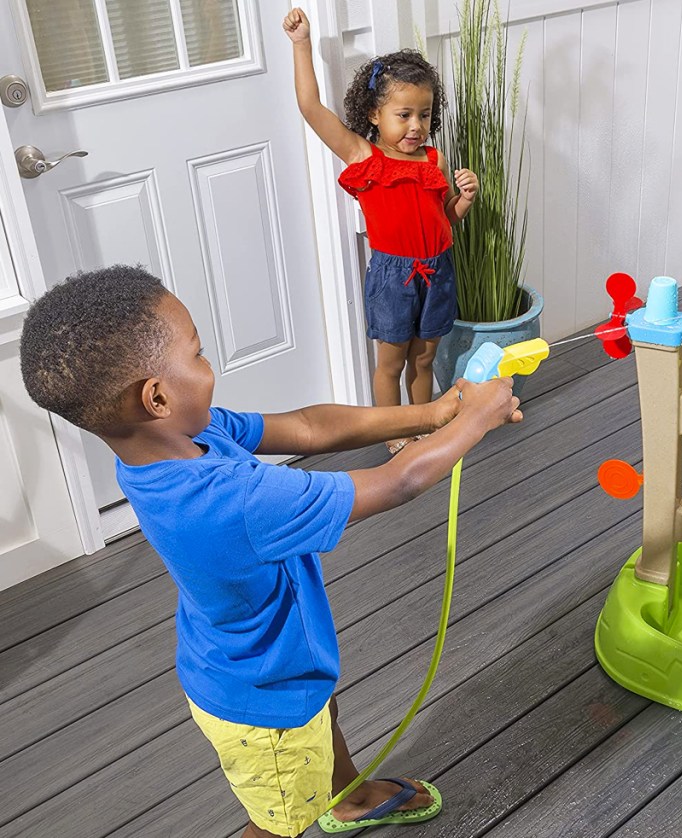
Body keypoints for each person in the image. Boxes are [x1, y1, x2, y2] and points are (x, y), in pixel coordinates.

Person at [19, 266, 521, 837]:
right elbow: (397, 482)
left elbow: (308, 427)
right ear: (157, 396)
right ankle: (318, 806)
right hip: (262, 698)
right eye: (199, 355)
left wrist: (431, 414)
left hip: (265, 659)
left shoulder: (180, 441)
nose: (211, 368)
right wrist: (479, 416)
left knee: (317, 710)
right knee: (278, 823)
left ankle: (346, 798)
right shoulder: (228, 500)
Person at [284, 7, 479, 456]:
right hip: (394, 277)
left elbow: (443, 219)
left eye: (425, 115)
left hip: (438, 271)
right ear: (375, 113)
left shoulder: (434, 161)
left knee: (425, 357)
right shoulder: (363, 157)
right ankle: (393, 432)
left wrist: (463, 199)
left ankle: (429, 420)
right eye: (404, 114)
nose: (416, 126)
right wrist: (301, 46)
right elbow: (310, 107)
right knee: (390, 362)